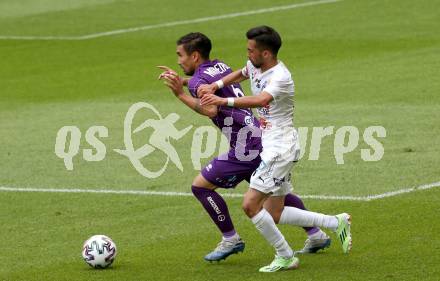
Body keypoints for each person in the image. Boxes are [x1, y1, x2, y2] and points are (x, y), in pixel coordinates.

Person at [157, 32, 331, 263]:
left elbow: (210, 109)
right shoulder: (219, 66)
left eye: (180, 55)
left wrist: (179, 93)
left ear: (195, 56)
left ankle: (231, 239)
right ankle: (316, 234)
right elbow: (207, 83)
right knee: (276, 196)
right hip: (260, 136)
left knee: (201, 187)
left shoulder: (200, 81)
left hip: (244, 146)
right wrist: (184, 80)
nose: (178, 61)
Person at [199, 26, 352, 272]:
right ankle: (336, 223)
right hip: (272, 143)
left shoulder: (281, 77)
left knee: (250, 205)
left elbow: (261, 101)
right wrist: (215, 85)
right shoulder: (257, 65)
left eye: (251, 50)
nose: (247, 54)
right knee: (275, 211)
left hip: (279, 147)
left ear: (267, 53)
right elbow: (241, 73)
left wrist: (221, 100)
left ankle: (285, 255)